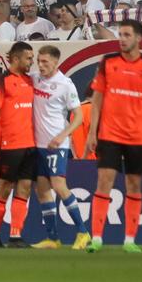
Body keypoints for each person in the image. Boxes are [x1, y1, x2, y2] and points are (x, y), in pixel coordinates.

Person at [85, 19, 142, 253]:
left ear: (139, 38)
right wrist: (93, 132)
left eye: (127, 34)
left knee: (133, 184)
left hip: (137, 136)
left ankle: (129, 240)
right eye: (120, 34)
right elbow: (96, 99)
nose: (122, 38)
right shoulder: (108, 62)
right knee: (104, 181)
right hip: (109, 133)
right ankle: (97, 238)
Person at [29, 45, 92, 250]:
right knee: (42, 190)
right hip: (38, 144)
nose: (41, 65)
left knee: (59, 186)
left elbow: (79, 116)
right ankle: (53, 238)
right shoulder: (34, 78)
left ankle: (83, 232)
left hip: (57, 144)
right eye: (39, 61)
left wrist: (62, 135)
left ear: (56, 62)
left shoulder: (66, 85)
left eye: (45, 62)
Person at [0, 42, 38, 248]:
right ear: (15, 59)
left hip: (29, 144)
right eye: (28, 58)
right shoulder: (2, 81)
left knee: (24, 188)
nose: (31, 62)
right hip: (8, 145)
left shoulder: (30, 81)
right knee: (5, 188)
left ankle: (16, 235)